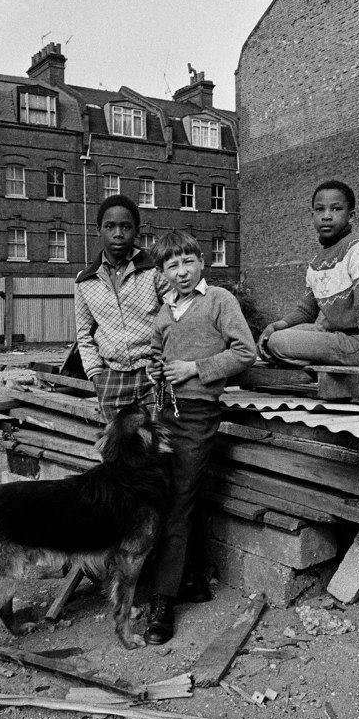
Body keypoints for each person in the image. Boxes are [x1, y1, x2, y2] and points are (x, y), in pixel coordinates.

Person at [144, 230, 257, 645]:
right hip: (162, 415)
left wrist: (194, 368)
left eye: (188, 261)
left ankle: (163, 602)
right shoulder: (165, 309)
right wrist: (156, 369)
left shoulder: (219, 301)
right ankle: (190, 580)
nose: (182, 271)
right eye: (172, 265)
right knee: (164, 499)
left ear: (202, 263)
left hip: (197, 416)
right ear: (162, 273)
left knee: (177, 504)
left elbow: (246, 353)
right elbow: (156, 355)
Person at [258, 180, 359, 369]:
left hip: (358, 343)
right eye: (320, 210)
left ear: (351, 216)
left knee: (278, 342)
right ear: (312, 215)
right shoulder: (316, 262)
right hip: (332, 335)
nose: (326, 216)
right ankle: (314, 358)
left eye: (336, 209)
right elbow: (307, 311)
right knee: (274, 335)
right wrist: (275, 325)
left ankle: (335, 359)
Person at [74, 195, 167, 423]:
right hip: (111, 377)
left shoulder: (154, 271)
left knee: (157, 446)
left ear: (136, 231)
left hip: (153, 373)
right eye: (110, 226)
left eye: (126, 226)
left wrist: (164, 363)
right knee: (119, 450)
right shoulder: (85, 280)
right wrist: (96, 374)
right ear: (98, 230)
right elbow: (84, 334)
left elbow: (177, 318)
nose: (118, 233)